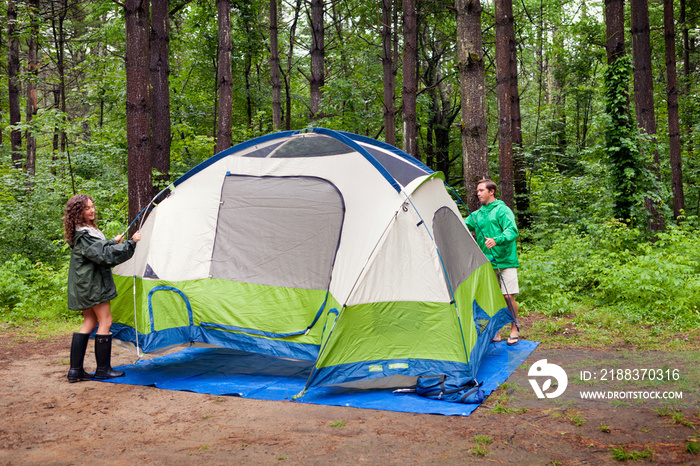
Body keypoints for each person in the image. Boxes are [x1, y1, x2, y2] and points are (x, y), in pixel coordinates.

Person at [64, 194, 141, 382]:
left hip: (84, 284)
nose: (92, 210)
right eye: (87, 208)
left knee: (89, 322)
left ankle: (75, 371)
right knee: (106, 320)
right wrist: (131, 243)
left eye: (92, 207)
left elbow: (98, 248)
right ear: (78, 211)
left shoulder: (82, 232)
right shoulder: (84, 234)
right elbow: (105, 255)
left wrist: (113, 241)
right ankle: (103, 369)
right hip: (92, 284)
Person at [465, 179, 520, 345]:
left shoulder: (502, 211)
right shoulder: (477, 215)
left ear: (491, 191)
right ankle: (495, 330)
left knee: (508, 296)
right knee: (489, 298)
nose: (478, 193)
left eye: (482, 190)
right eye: (478, 191)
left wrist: (497, 240)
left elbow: (512, 230)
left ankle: (515, 328)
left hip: (506, 260)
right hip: (487, 262)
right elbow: (462, 225)